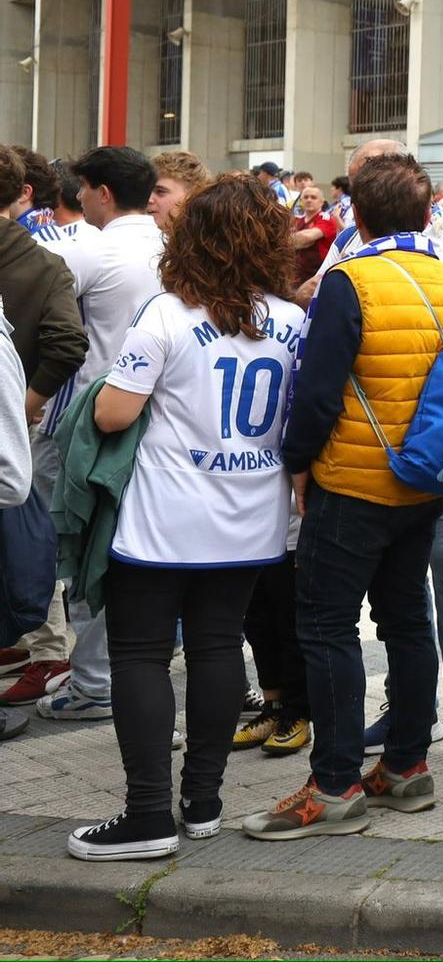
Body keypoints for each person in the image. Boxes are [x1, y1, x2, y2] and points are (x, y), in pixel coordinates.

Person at [63, 176, 305, 861]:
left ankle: (146, 815)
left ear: (192, 239)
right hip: (252, 513)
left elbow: (114, 413)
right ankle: (203, 801)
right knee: (219, 645)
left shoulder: (168, 314)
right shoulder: (291, 320)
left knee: (140, 654)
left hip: (165, 517)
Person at [245, 153, 443, 841]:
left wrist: (296, 463)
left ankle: (336, 782)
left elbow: (316, 394)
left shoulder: (350, 280)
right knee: (407, 620)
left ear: (360, 214)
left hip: (351, 483)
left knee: (325, 627)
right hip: (424, 481)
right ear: (427, 212)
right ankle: (407, 766)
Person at [37, 146, 167, 724]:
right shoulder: (175, 246)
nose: (78, 198)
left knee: (88, 548)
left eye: (83, 189)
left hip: (96, 419)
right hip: (162, 418)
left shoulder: (88, 249)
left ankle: (94, 681)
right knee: (134, 549)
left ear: (102, 193)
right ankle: (112, 670)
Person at [0, 146, 87, 712]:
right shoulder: (43, 261)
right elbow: (67, 344)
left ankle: (40, 644)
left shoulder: (45, 260)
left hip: (16, 418)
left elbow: (67, 343)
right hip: (16, 422)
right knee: (26, 537)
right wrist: (27, 404)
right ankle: (38, 642)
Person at [147, 152, 210, 232]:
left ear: (191, 196)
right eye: (147, 191)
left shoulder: (210, 241)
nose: (149, 199)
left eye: (160, 191)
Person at [291, 183, 337, 285]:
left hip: (317, 277)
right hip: (296, 276)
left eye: (313, 197)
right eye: (306, 197)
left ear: (322, 202)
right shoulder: (296, 220)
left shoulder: (326, 218)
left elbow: (306, 237)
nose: (309, 200)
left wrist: (295, 240)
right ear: (301, 200)